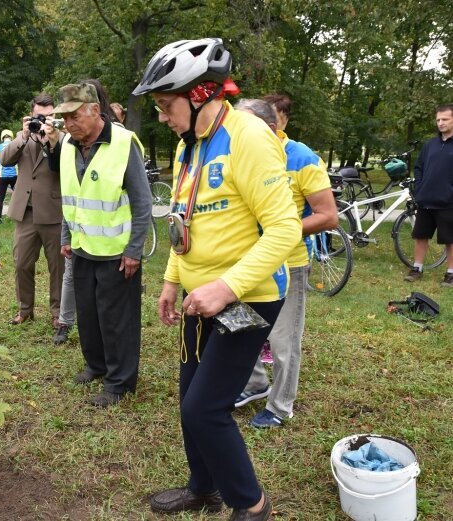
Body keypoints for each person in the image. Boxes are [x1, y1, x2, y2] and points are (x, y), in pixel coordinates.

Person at [133, 39, 300, 519]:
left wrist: (225, 287)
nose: (163, 117)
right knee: (190, 397)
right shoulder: (193, 145)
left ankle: (252, 505)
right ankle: (203, 486)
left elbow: (285, 229)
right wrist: (170, 280)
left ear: (202, 92)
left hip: (248, 298)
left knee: (205, 409)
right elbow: (184, 221)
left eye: (167, 105)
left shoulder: (247, 136)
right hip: (198, 297)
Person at [234, 99, 338, 428]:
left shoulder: (301, 157)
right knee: (241, 328)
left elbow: (328, 215)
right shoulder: (237, 153)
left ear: (272, 125)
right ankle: (254, 385)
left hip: (287, 263)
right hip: (244, 262)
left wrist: (280, 229)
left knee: (282, 340)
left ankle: (280, 406)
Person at [46, 83, 152, 407]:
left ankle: (120, 383)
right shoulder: (67, 145)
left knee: (116, 320)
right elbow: (71, 196)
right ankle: (96, 365)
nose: (69, 124)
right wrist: (66, 237)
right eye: (64, 119)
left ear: (94, 111)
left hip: (117, 254)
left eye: (75, 116)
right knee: (89, 316)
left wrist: (134, 249)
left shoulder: (123, 143)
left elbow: (142, 201)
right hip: (82, 248)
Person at [0, 94, 65, 328]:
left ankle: (58, 313)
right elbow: (5, 160)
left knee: (58, 267)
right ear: (31, 114)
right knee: (21, 263)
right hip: (25, 211)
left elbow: (64, 165)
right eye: (40, 116)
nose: (44, 120)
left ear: (55, 116)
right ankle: (25, 309)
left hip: (53, 211)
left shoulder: (63, 138)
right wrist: (24, 136)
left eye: (49, 116)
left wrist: (52, 139)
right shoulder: (22, 136)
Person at [403, 103, 453, 286]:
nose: (441, 123)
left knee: (450, 239)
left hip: (448, 202)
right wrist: (420, 185)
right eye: (438, 119)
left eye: (445, 119)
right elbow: (419, 167)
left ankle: (450, 273)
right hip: (426, 200)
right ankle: (417, 268)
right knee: (421, 236)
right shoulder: (430, 144)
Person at [0, 129, 18, 223]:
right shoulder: (15, 146)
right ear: (11, 137)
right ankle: (18, 217)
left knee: (0, 197)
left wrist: (1, 167)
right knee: (19, 196)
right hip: (15, 175)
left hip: (2, 176)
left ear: (2, 137)